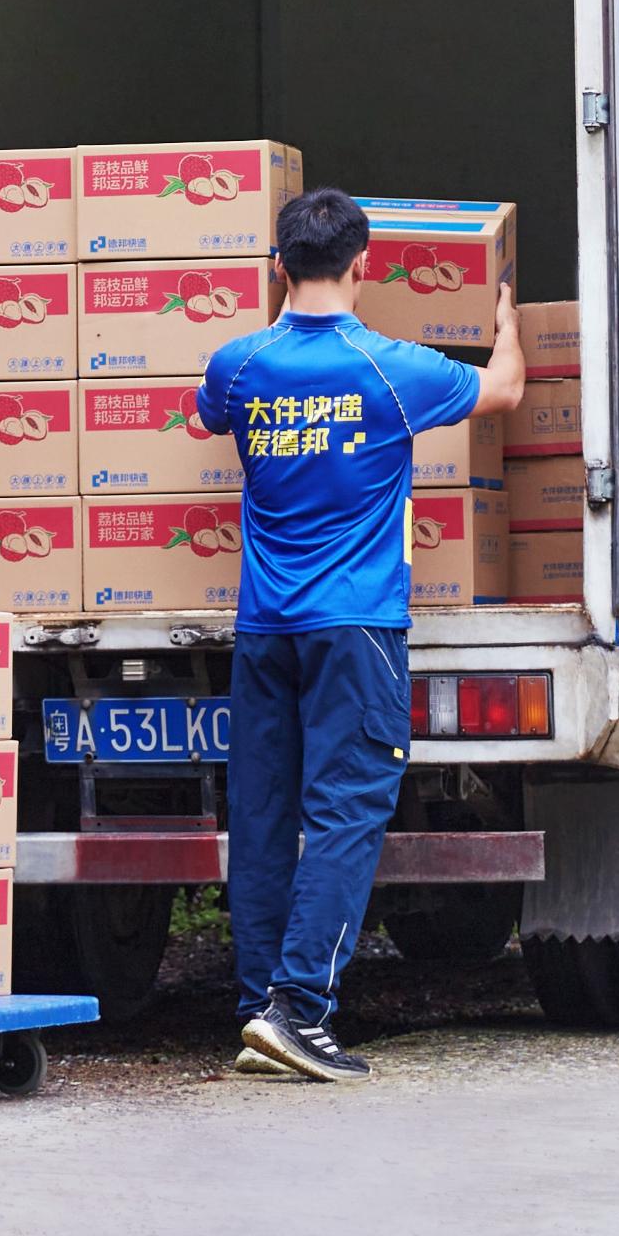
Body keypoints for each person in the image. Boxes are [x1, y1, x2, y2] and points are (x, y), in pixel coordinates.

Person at [196, 188, 526, 1084]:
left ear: (277, 267)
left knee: (264, 816)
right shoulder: (390, 369)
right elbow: (504, 390)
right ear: (364, 264)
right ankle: (302, 1011)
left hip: (265, 628)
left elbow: (207, 415)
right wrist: (505, 316)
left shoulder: (238, 363)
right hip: (356, 627)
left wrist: (277, 321)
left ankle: (259, 1006)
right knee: (347, 809)